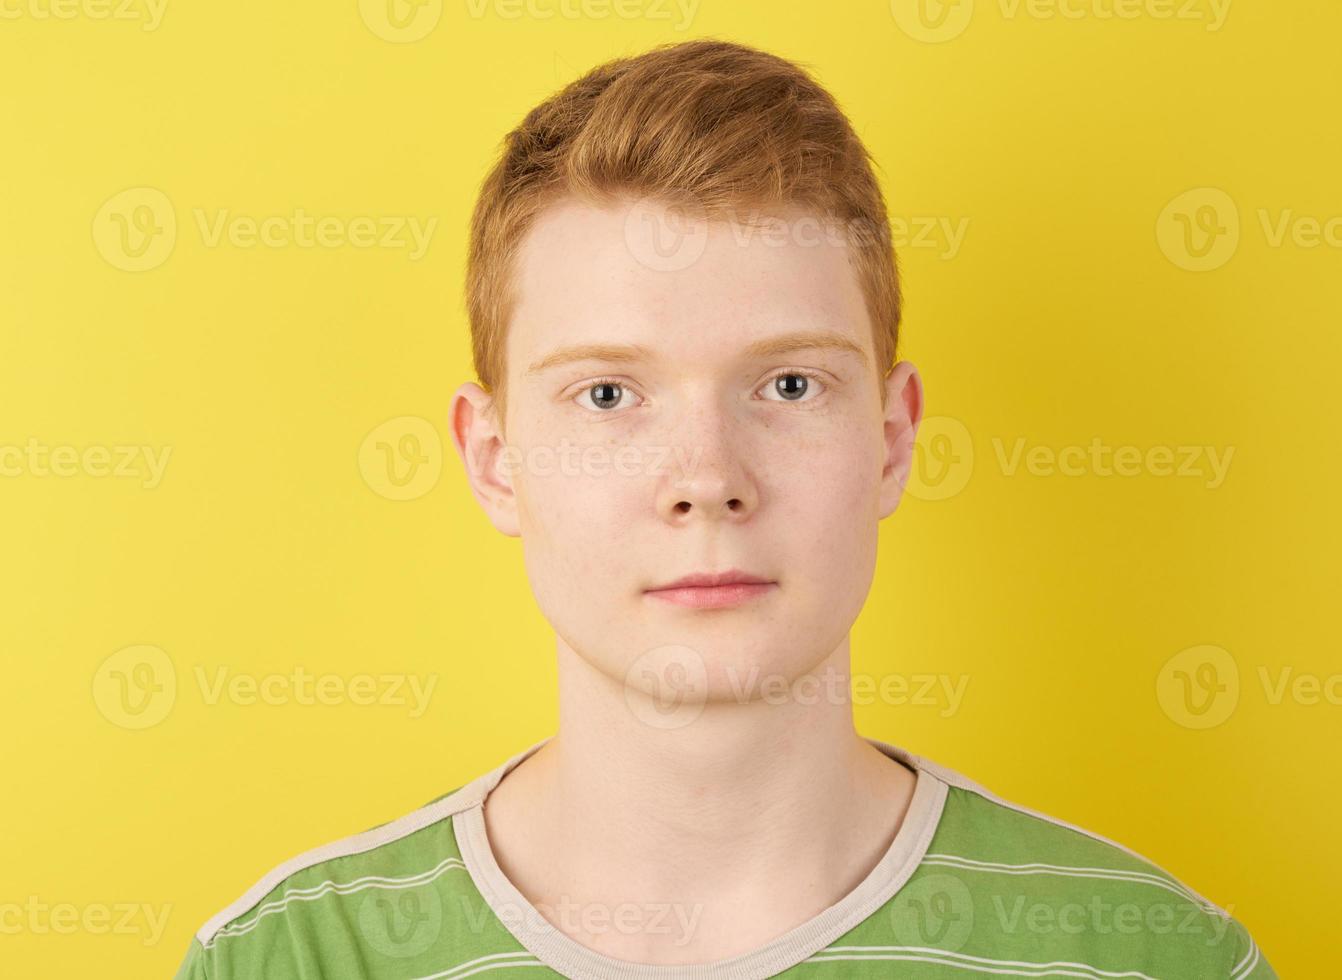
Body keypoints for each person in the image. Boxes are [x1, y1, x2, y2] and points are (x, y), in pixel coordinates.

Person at [174, 38, 1275, 979]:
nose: (707, 475)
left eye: (788, 384)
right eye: (607, 393)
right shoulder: (298, 955)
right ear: (496, 460)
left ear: (890, 439)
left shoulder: (1148, 953)